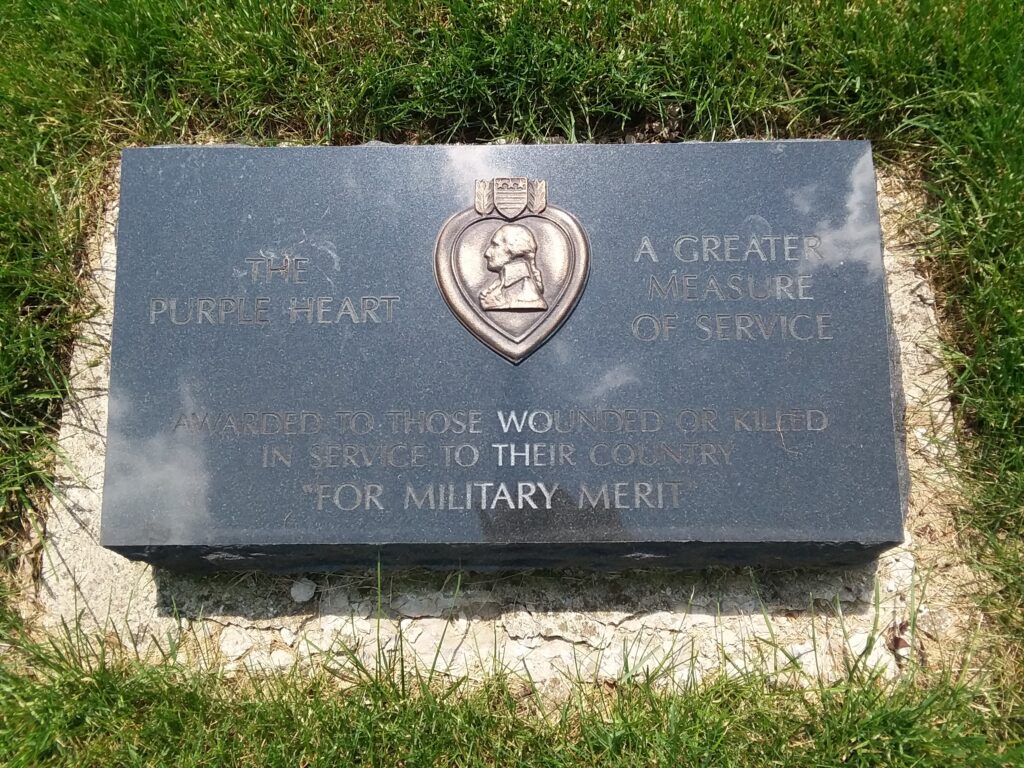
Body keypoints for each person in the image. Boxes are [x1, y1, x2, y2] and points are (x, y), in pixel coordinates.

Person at [479, 224, 547, 311]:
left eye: (495, 245)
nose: (487, 253)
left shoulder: (526, 296)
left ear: (514, 250)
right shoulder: (498, 285)